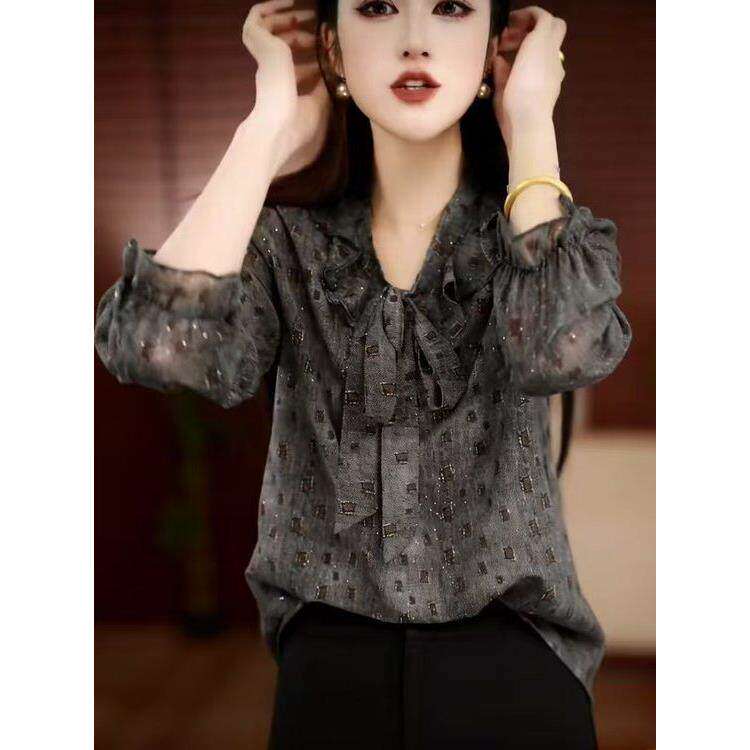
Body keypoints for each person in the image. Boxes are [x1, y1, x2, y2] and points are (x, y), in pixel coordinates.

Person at [94, 1, 632, 747]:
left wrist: (533, 124)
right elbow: (154, 347)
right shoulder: (285, 245)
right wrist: (266, 130)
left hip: (519, 667)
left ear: (491, 50)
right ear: (333, 48)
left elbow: (562, 352)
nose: (415, 41)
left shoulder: (538, 237)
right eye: (378, 8)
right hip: (329, 677)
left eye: (451, 8)